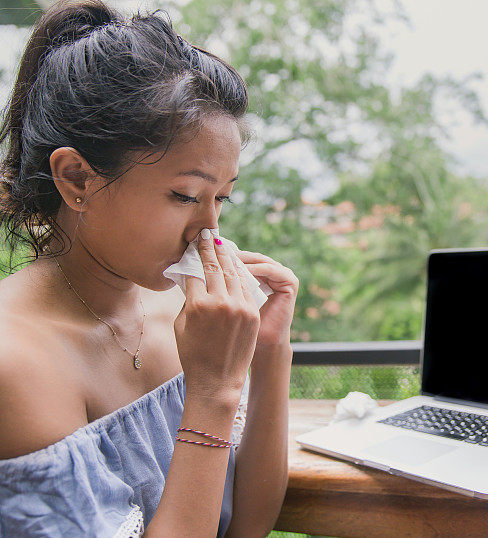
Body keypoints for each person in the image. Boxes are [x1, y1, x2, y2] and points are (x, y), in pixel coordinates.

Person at [0, 0, 298, 535]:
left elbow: (247, 528)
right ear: (76, 179)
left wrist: (270, 354)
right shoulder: (14, 366)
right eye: (184, 195)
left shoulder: (184, 320)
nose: (208, 231)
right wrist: (210, 394)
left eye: (221, 199)